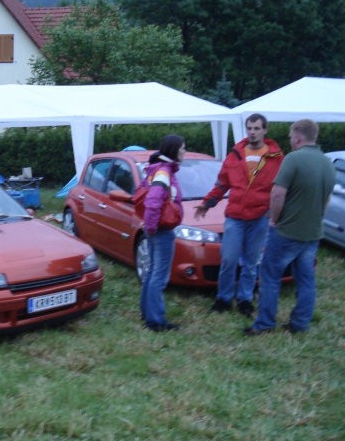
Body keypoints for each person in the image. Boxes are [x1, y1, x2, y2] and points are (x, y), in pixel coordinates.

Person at [244, 119, 335, 335]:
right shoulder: (327, 162)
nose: (290, 141)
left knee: (270, 277)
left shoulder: (293, 159)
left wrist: (274, 220)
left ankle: (265, 323)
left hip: (286, 232)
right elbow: (327, 198)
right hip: (312, 233)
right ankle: (300, 323)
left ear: (298, 137)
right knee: (305, 280)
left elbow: (277, 193)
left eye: (290, 137)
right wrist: (318, 217)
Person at [195, 113, 283, 317]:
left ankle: (245, 299)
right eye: (249, 128)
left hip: (259, 217)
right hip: (235, 217)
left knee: (251, 263)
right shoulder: (235, 154)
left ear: (265, 130)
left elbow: (281, 187)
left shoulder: (276, 157)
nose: (252, 132)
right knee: (229, 260)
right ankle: (224, 299)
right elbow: (222, 183)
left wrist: (276, 211)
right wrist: (208, 203)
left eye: (256, 128)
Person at [140, 134, 186, 332]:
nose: (185, 151)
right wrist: (151, 227)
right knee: (160, 276)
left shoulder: (156, 170)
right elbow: (152, 202)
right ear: (174, 150)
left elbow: (144, 191)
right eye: (183, 148)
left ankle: (147, 314)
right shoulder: (164, 172)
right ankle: (156, 321)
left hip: (155, 230)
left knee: (152, 273)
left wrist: (149, 228)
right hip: (162, 230)